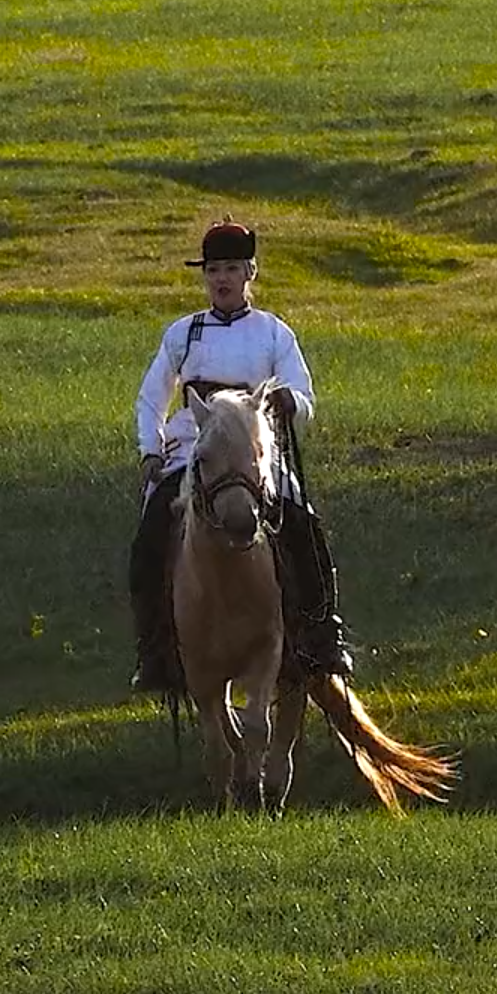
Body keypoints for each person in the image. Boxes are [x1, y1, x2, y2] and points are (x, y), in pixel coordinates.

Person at [128, 218, 353, 694]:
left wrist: (288, 402)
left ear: (251, 271)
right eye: (213, 270)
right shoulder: (182, 334)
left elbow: (305, 396)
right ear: (205, 276)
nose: (222, 279)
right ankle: (154, 646)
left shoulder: (273, 334)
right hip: (195, 452)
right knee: (149, 535)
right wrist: (152, 449)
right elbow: (152, 399)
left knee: (302, 524)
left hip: (254, 455)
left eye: (231, 268)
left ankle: (321, 631)